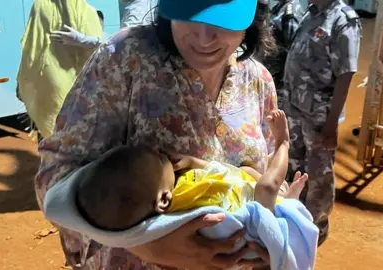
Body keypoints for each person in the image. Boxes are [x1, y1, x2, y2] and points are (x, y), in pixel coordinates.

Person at [34, 0, 300, 268]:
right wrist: (146, 244)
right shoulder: (125, 59)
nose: (204, 37)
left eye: (223, 19)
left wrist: (274, 234)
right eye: (190, 12)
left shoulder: (259, 81)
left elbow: (267, 181)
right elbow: (54, 178)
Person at [76, 110, 309, 231]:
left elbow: (214, 174)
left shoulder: (176, 193)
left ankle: (286, 201)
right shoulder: (188, 213)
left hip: (243, 192)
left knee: (247, 170)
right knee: (267, 186)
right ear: (164, 199)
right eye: (159, 160)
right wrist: (282, 144)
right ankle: (284, 148)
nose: (163, 154)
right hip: (259, 214)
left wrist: (191, 162)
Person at [280, 0, 361, 246]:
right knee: (294, 165)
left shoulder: (343, 19)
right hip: (295, 107)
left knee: (318, 173)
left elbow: (346, 74)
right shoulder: (311, 13)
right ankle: (294, 216)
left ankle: (317, 226)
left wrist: (332, 123)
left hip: (319, 114)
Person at [16, 0, 103, 139]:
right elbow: (98, 51)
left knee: (49, 136)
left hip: (45, 81)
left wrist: (23, 77)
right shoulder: (87, 11)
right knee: (76, 137)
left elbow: (31, 46)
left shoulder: (38, 6)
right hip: (74, 81)